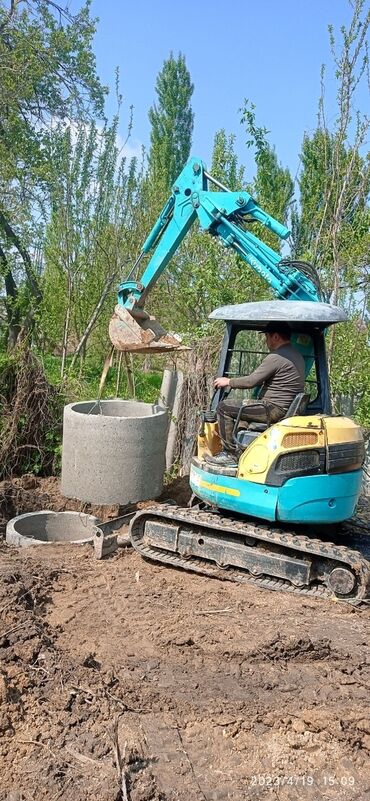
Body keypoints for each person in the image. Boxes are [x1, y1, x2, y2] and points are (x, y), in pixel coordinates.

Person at [206, 323, 305, 467]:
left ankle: (229, 454)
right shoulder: (296, 356)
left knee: (223, 407)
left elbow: (251, 381)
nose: (266, 341)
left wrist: (228, 381)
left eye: (267, 336)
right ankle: (241, 451)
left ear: (275, 336)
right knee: (240, 415)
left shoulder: (277, 356)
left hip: (272, 409)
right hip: (282, 407)